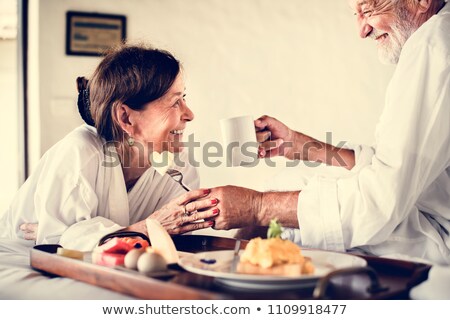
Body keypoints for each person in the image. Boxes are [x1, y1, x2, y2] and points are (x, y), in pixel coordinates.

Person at [210, 0, 450, 264]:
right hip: (429, 215)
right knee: (295, 178)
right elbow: (392, 168)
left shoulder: (434, 42)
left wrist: (256, 207)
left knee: (288, 195)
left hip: (442, 237)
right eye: (356, 15)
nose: (362, 31)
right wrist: (299, 145)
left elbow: (379, 203)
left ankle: (221, 278)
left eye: (368, 11)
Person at [0, 43, 219, 251]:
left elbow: (171, 245)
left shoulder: (180, 169)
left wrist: (75, 236)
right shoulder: (79, 154)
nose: (190, 114)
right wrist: (144, 229)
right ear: (125, 117)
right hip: (20, 264)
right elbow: (54, 246)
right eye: (174, 102)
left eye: (184, 98)